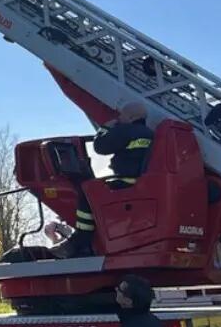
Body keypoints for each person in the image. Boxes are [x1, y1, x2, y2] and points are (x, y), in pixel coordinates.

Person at [54, 102, 154, 258]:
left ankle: (83, 239)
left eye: (122, 115)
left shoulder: (125, 130)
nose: (119, 118)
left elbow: (100, 147)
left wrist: (105, 128)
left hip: (124, 182)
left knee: (87, 193)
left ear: (132, 117)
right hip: (140, 182)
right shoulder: (150, 133)